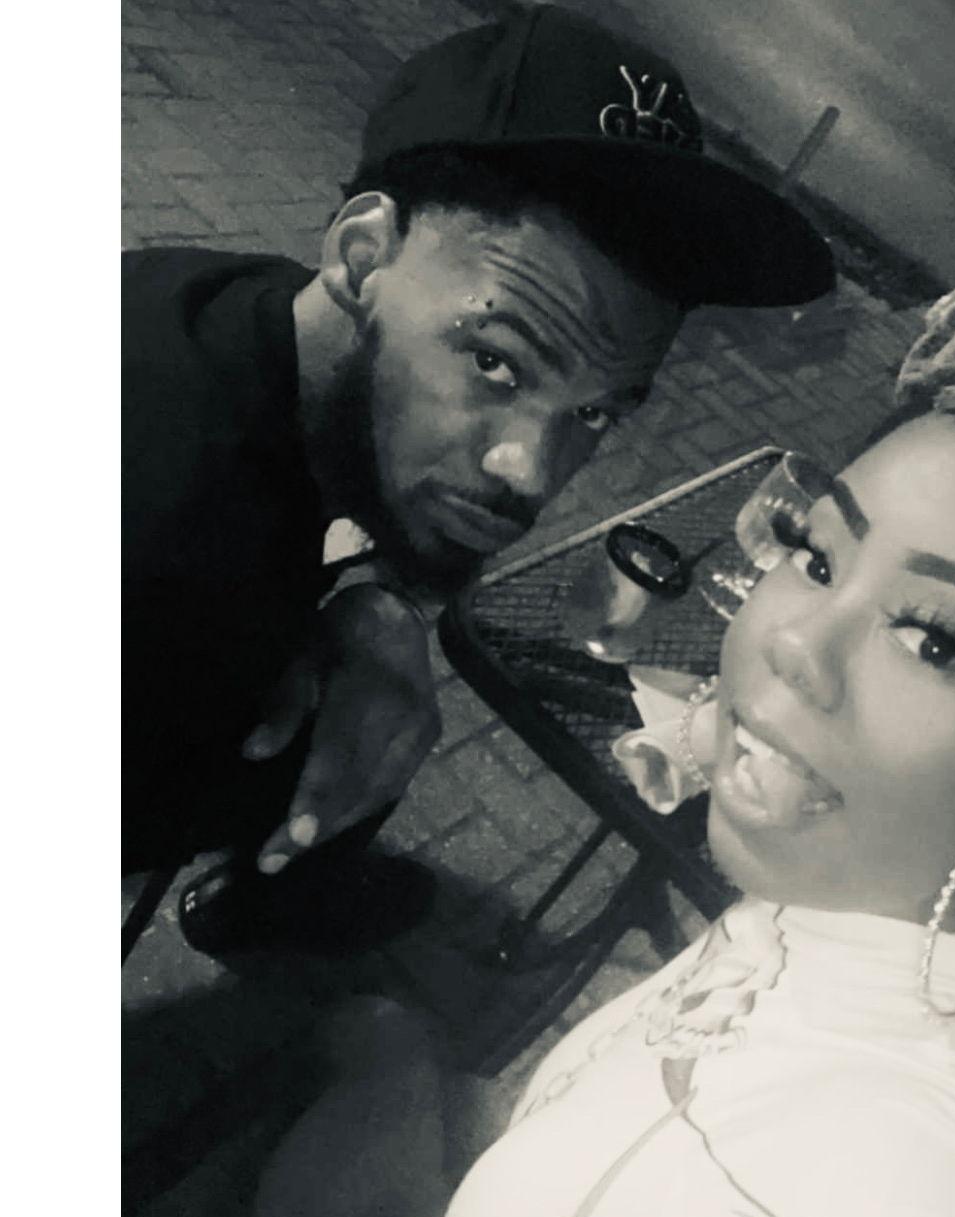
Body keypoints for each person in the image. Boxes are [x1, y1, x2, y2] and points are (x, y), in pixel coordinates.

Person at [123, 146, 955, 1217]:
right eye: (815, 552)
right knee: (382, 1035)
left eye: (934, 639)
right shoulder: (848, 908)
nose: (790, 643)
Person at [122, 4, 834, 954]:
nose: (529, 473)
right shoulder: (162, 557)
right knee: (369, 731)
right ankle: (273, 908)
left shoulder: (245, 312)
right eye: (495, 362)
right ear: (362, 256)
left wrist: (374, 597)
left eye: (596, 412)